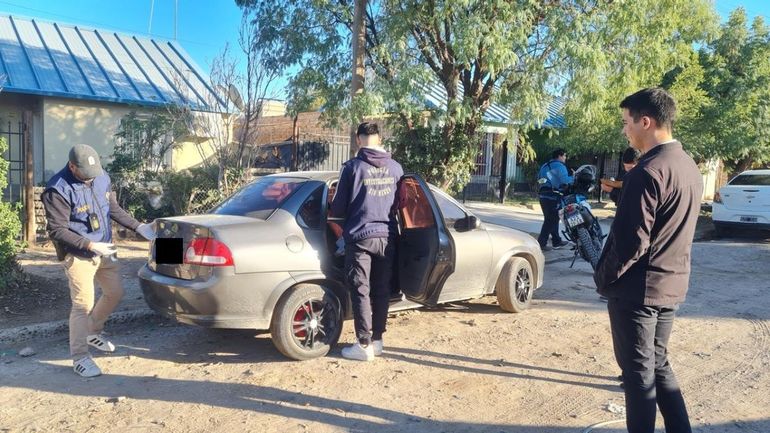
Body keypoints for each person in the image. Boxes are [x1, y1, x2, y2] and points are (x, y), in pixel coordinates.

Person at [594, 88, 701, 433]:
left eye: (627, 123)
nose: (625, 130)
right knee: (658, 367)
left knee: (638, 377)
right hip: (669, 287)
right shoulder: (688, 167)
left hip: (637, 292)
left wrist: (603, 277)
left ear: (646, 121)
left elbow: (630, 242)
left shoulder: (647, 172)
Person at [42, 144, 156, 377]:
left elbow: (112, 208)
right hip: (80, 254)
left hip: (106, 249)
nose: (91, 179)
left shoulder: (101, 177)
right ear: (72, 167)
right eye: (86, 175)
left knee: (115, 293)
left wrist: (139, 227)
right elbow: (57, 230)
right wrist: (90, 245)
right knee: (82, 305)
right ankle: (80, 357)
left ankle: (93, 331)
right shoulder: (57, 189)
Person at [330, 122, 403, 361]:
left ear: (358, 139)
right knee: (381, 289)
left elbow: (338, 208)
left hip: (360, 238)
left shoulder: (352, 168)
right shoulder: (396, 168)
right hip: (387, 236)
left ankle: (364, 345)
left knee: (361, 290)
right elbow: (401, 205)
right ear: (379, 139)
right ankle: (378, 340)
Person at [536, 148, 573, 251]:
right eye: (564, 156)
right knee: (550, 220)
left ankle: (556, 241)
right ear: (560, 156)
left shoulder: (544, 166)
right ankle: (541, 243)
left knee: (553, 218)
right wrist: (574, 178)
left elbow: (539, 179)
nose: (565, 158)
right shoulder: (560, 166)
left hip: (542, 196)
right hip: (553, 196)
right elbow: (565, 181)